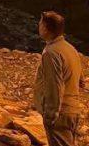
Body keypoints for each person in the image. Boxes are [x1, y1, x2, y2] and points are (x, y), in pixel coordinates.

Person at [33, 11, 83, 146]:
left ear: (46, 28)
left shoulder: (51, 52)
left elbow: (54, 86)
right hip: (72, 111)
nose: (38, 26)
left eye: (40, 23)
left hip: (60, 114)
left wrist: (50, 115)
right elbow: (81, 80)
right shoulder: (70, 49)